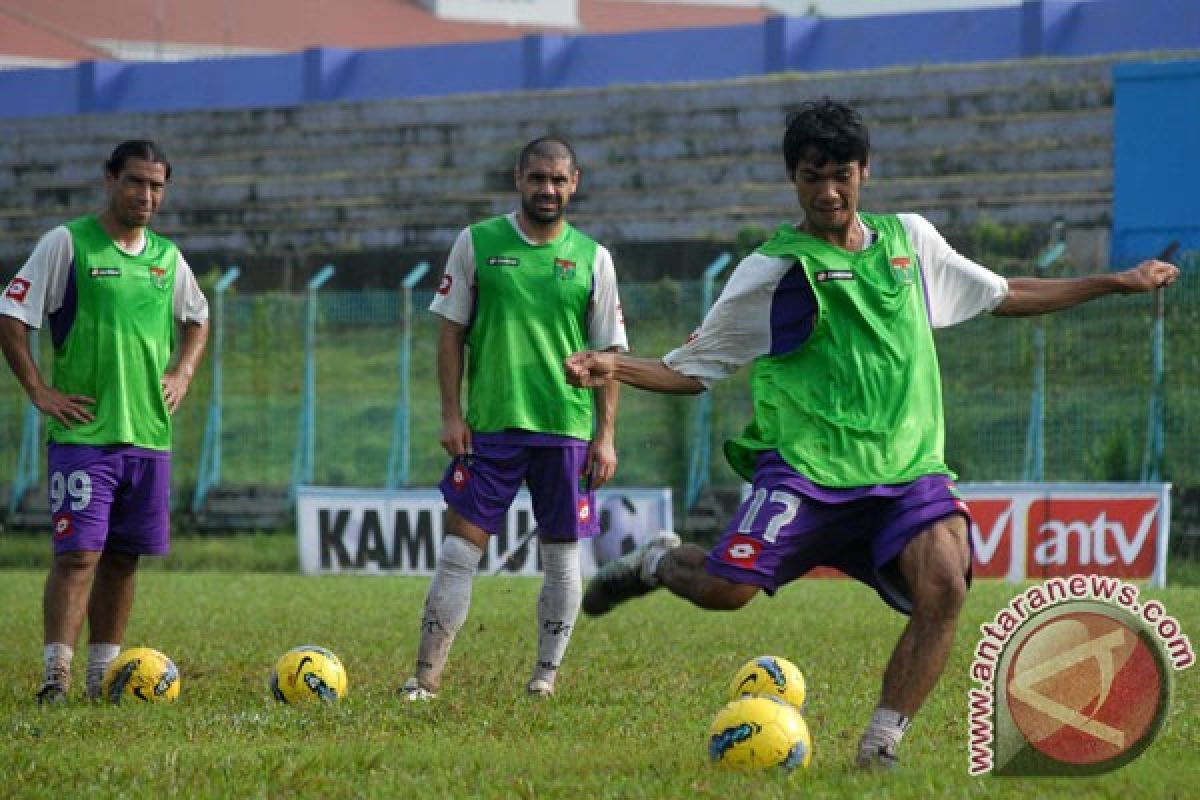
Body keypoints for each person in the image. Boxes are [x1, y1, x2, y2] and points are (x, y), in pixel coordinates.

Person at [564, 99, 1179, 767]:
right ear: (793, 179)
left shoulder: (909, 241)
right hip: (807, 470)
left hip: (908, 469)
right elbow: (693, 370)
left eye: (842, 175)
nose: (828, 192)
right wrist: (611, 364)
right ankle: (658, 561)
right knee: (726, 592)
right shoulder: (775, 271)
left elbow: (1003, 293)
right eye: (811, 177)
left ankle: (881, 743)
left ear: (866, 171)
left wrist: (1116, 282)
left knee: (946, 584)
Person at [400, 136, 628, 700]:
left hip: (566, 430)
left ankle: (544, 679)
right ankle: (425, 680)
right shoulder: (476, 243)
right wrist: (452, 414)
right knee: (459, 549)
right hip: (492, 427)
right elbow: (450, 332)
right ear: (518, 179)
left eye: (558, 179)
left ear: (575, 182)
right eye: (537, 179)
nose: (547, 190)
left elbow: (610, 356)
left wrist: (605, 436)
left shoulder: (594, 258)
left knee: (562, 557)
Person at [0, 140, 210, 703]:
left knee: (122, 558)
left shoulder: (167, 258)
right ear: (110, 180)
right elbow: (11, 313)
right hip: (83, 434)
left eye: (157, 186)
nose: (146, 195)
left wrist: (183, 374)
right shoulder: (67, 244)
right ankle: (55, 678)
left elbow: (198, 318)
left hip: (147, 435)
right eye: (135, 182)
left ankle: (104, 675)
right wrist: (39, 390)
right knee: (77, 555)